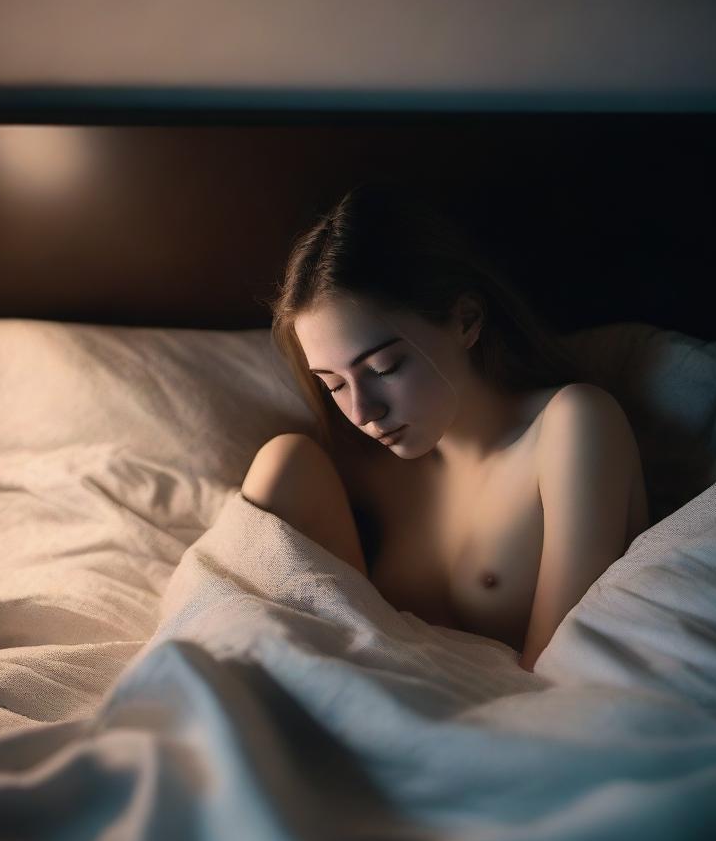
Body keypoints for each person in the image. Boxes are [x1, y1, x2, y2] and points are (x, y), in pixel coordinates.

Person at [241, 180, 649, 672]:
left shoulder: (572, 426)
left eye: (383, 368)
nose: (362, 412)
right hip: (371, 697)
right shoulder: (354, 469)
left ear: (466, 320)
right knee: (282, 459)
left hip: (517, 720)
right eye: (333, 384)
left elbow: (561, 671)